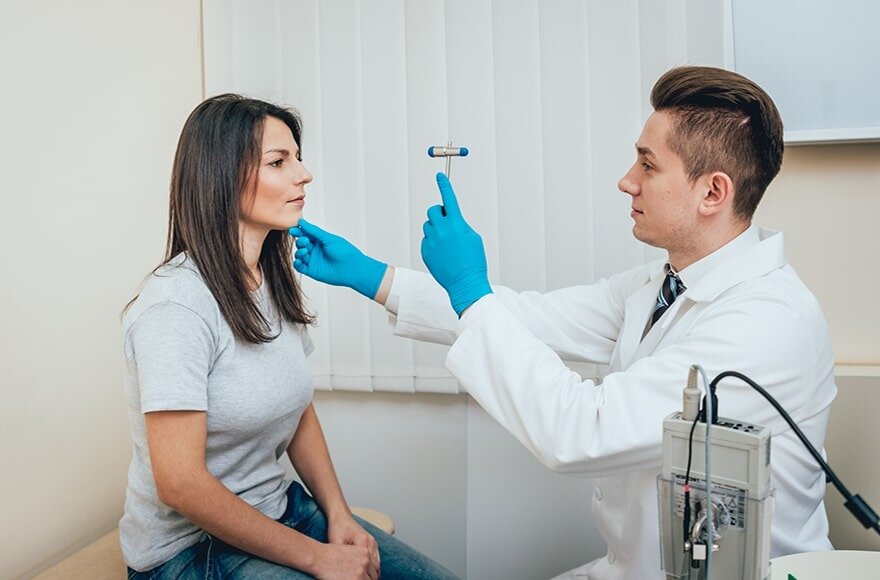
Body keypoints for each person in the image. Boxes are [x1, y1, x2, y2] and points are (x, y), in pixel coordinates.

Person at [289, 66, 837, 579]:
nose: (627, 181)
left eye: (647, 165)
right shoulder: (663, 284)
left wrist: (470, 289)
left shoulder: (765, 322)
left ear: (712, 192)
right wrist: (373, 277)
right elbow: (530, 318)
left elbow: (584, 431)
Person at [120, 93, 458, 579]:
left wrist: (339, 514)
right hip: (188, 550)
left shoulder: (271, 279)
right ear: (221, 177)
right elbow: (180, 484)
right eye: (279, 162)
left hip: (277, 509)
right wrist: (317, 557)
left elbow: (297, 409)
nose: (304, 174)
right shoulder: (176, 305)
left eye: (297, 158)